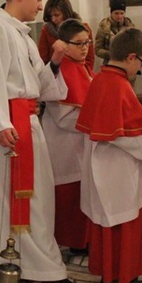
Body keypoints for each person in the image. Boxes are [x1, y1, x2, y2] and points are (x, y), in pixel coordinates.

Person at [0, 0, 89, 283]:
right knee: (30, 203)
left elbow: (39, 81)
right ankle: (50, 275)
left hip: (25, 121)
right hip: (10, 128)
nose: (41, 6)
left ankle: (1, 262)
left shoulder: (20, 34)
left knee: (22, 201)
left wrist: (53, 62)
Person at [76, 28, 142, 283]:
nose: (140, 69)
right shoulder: (118, 84)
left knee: (109, 223)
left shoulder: (103, 79)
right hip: (118, 167)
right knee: (125, 222)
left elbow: (114, 122)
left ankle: (109, 274)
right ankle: (122, 278)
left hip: (105, 164)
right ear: (131, 57)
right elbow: (122, 135)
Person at [41, 19, 93, 253]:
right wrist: (95, 121)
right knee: (69, 196)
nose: (85, 48)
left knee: (83, 192)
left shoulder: (82, 66)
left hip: (81, 140)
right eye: (79, 43)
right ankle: (73, 240)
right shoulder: (60, 71)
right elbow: (62, 116)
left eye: (87, 42)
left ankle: (84, 239)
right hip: (64, 143)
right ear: (64, 44)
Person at [38, 0, 95, 70]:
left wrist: (84, 74)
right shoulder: (47, 30)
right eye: (50, 16)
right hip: (55, 75)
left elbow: (89, 59)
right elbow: (43, 59)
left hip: (80, 72)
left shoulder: (83, 28)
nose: (53, 19)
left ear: (66, 13)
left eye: (57, 15)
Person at [95, 0, 133, 65]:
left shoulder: (130, 27)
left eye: (122, 13)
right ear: (111, 13)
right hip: (110, 63)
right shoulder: (104, 28)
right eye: (116, 13)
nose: (119, 16)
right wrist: (111, 54)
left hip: (128, 64)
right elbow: (97, 49)